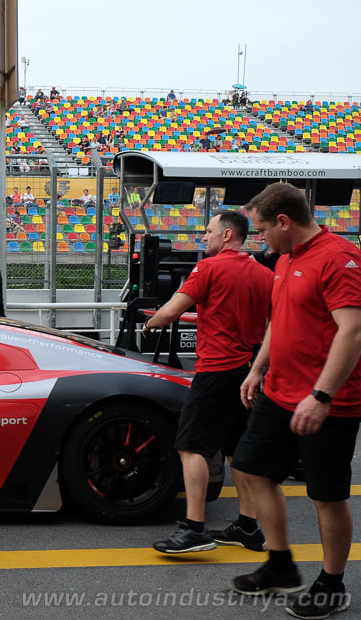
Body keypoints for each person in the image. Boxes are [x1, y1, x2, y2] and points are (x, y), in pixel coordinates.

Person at [229, 183, 361, 618]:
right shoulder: (285, 258)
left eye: (262, 229)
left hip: (328, 402)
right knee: (250, 468)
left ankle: (332, 584)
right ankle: (281, 565)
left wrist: (321, 395)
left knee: (327, 496)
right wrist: (258, 368)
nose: (259, 238)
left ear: (284, 222)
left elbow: (353, 331)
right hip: (279, 392)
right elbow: (280, 320)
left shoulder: (339, 258)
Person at [144, 211, 274, 554]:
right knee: (236, 450)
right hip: (247, 371)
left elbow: (171, 311)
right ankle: (248, 526)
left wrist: (150, 323)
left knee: (191, 447)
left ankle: (194, 529)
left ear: (228, 235)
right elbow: (274, 323)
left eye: (208, 230)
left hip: (215, 370)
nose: (204, 237)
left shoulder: (209, 268)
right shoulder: (265, 275)